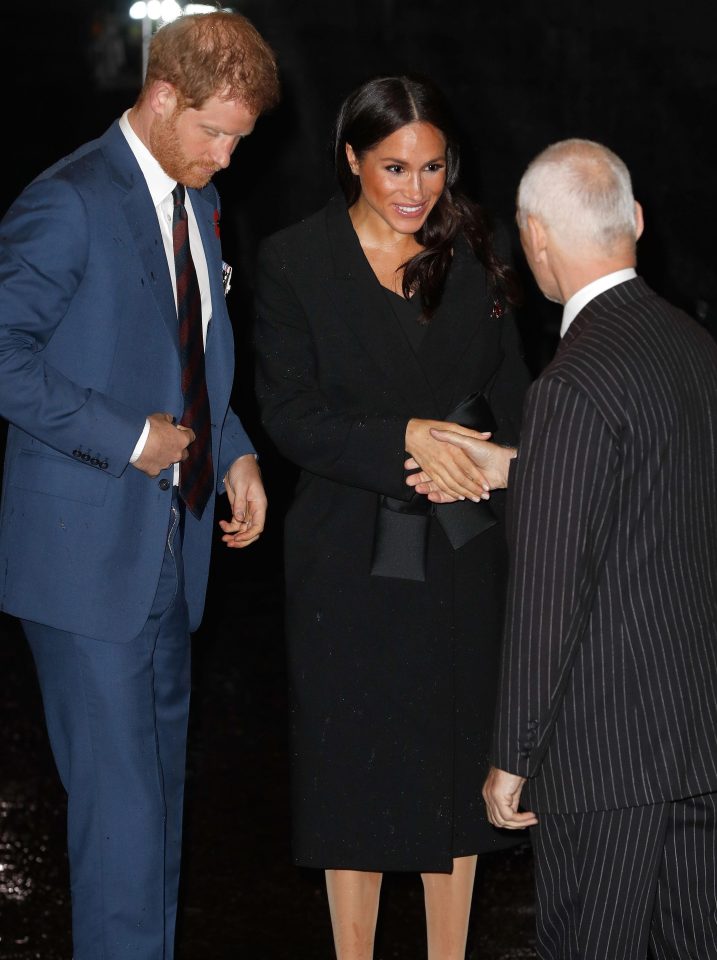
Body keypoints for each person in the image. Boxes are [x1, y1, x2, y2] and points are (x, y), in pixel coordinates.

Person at [0, 12, 278, 960]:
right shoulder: (69, 200)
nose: (228, 157)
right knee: (120, 827)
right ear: (161, 98)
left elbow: (191, 356)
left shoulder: (194, 200)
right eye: (215, 133)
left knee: (153, 821)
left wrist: (231, 447)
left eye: (240, 139)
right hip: (85, 564)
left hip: (172, 557)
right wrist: (129, 440)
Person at [409, 139, 717, 959]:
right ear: (635, 220)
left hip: (604, 753)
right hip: (697, 733)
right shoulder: (691, 347)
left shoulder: (569, 384)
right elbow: (656, 487)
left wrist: (512, 756)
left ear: (535, 240)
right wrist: (519, 466)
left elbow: (551, 592)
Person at [253, 75, 531, 960]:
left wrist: (481, 462)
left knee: (455, 771)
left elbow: (511, 392)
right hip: (347, 556)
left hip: (461, 548)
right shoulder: (295, 260)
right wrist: (404, 440)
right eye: (392, 167)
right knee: (354, 776)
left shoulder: (477, 246)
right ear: (350, 159)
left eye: (433, 168)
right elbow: (290, 415)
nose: (416, 190)